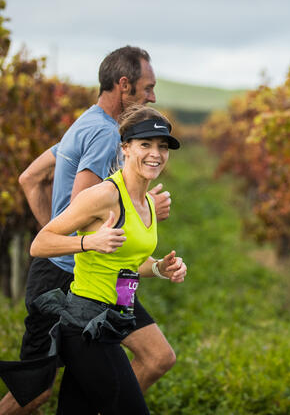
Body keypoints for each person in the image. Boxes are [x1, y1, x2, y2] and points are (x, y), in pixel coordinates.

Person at [0, 47, 175, 414]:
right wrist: (76, 242)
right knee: (35, 390)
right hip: (64, 278)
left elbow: (30, 178)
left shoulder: (87, 122)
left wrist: (135, 219)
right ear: (124, 85)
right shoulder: (104, 134)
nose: (153, 97)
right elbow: (85, 205)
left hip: (100, 280)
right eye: (147, 88)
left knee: (156, 357)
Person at [29, 104, 187, 414]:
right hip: (85, 325)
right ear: (125, 148)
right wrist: (89, 242)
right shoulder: (104, 195)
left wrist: (159, 268)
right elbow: (40, 243)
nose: (156, 153)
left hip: (113, 321)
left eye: (162, 146)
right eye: (145, 144)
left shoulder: (146, 202)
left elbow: (127, 263)